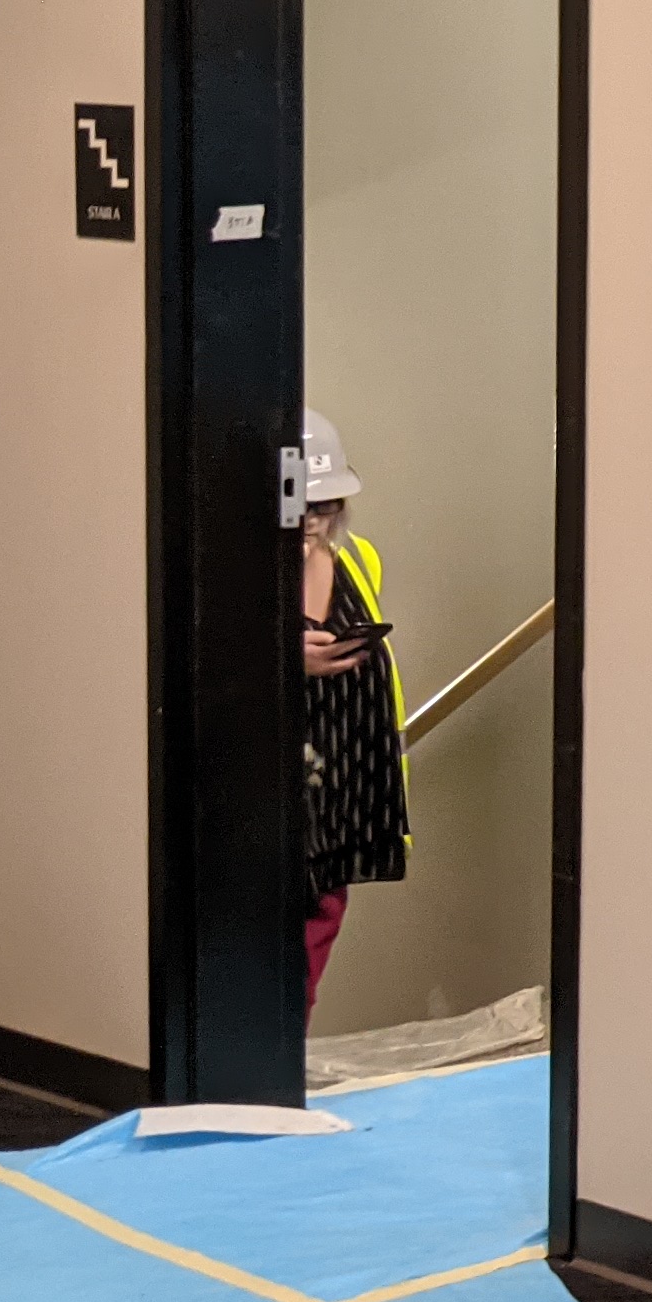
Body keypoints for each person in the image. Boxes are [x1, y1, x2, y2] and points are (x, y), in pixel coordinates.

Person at [295, 408, 409, 1012]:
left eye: (327, 503)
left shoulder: (359, 559)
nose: (314, 519)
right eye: (303, 503)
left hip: (340, 800)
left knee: (311, 958)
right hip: (275, 806)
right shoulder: (233, 575)